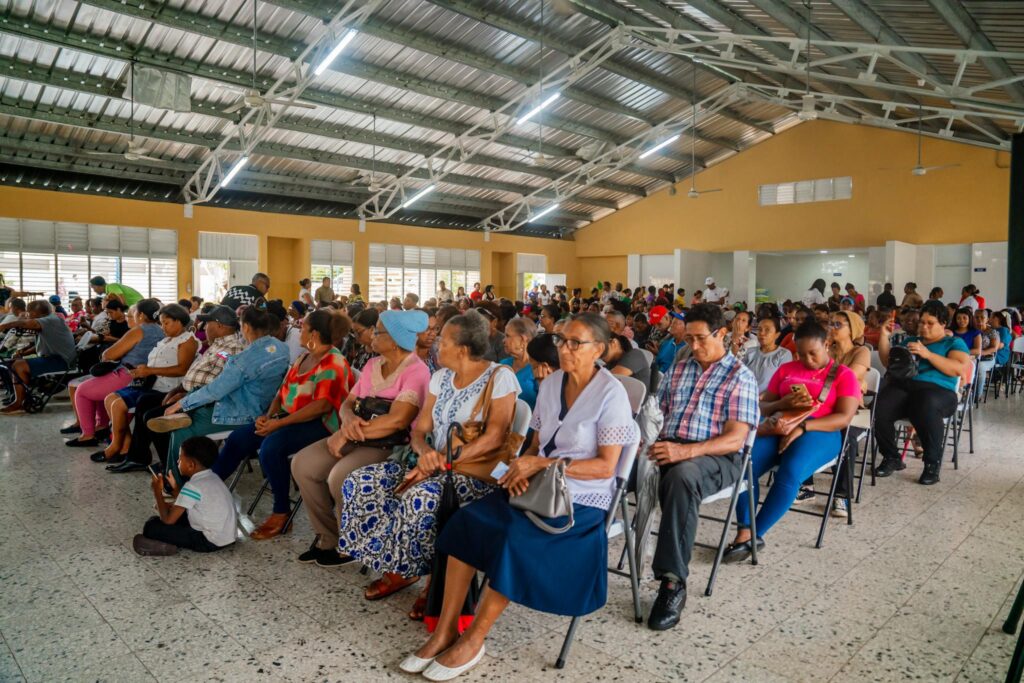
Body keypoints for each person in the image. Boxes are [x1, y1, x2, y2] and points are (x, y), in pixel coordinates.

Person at [401, 314, 637, 678]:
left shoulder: (611, 393)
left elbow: (605, 467)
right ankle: (446, 629)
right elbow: (536, 444)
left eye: (576, 343)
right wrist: (519, 467)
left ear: (600, 350)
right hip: (538, 485)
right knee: (467, 521)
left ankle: (474, 639)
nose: (565, 349)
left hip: (580, 500)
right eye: (561, 340)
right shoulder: (552, 383)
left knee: (514, 538)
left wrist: (541, 465)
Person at [337, 311, 518, 608]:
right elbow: (420, 430)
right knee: (362, 481)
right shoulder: (440, 377)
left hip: (474, 471)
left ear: (462, 349)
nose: (436, 345)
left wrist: (443, 460)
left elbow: (495, 436)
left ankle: (434, 581)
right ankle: (399, 565)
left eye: (443, 341)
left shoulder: (499, 377)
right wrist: (424, 453)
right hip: (432, 463)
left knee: (419, 498)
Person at [644, 304, 760, 631]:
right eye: (688, 339)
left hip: (718, 456)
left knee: (682, 477)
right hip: (671, 446)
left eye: (700, 338)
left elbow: (735, 440)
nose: (693, 346)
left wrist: (685, 451)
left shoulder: (740, 376)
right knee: (619, 468)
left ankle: (672, 582)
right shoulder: (680, 369)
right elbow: (658, 415)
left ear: (721, 333)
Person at [291, 309, 431, 569]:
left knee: (340, 476)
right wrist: (347, 419)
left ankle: (351, 543)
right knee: (302, 464)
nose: (371, 335)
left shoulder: (416, 371)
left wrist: (343, 433)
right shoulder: (372, 365)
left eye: (378, 331)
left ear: (394, 339)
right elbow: (349, 402)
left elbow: (397, 421)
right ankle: (328, 536)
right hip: (357, 435)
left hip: (391, 444)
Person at [724, 320, 860, 561]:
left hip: (822, 431)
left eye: (813, 353)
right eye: (801, 354)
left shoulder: (843, 374)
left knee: (791, 471)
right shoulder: (787, 370)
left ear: (826, 345)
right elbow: (762, 407)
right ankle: (745, 530)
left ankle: (757, 533)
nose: (807, 360)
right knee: (744, 464)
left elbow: (844, 417)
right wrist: (781, 404)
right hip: (781, 425)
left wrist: (804, 427)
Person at [212, 310, 354, 539]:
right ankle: (208, 486)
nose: (298, 331)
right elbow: (281, 393)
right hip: (289, 418)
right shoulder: (304, 357)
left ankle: (281, 513)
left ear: (314, 334)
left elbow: (322, 406)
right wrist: (269, 416)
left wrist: (278, 425)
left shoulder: (333, 362)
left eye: (303, 327)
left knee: (271, 447)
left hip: (321, 425)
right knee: (239, 438)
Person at [150, 306, 291, 484]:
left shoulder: (243, 360)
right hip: (263, 407)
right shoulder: (281, 348)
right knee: (192, 403)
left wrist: (180, 404)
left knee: (181, 430)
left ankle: (176, 484)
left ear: (246, 327)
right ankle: (181, 464)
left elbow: (216, 390)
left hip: (239, 413)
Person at [111, 305, 248, 474]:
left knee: (153, 416)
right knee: (145, 401)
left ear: (219, 325)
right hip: (188, 393)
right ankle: (138, 457)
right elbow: (198, 374)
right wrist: (176, 391)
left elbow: (220, 384)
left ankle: (171, 466)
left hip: (203, 401)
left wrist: (186, 397)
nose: (205, 328)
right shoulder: (217, 345)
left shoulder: (232, 349)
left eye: (208, 324)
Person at [874, 300, 970, 485]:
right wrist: (884, 336)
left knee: (925, 403)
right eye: (922, 322)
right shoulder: (910, 341)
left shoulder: (953, 342)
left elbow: (958, 369)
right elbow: (889, 363)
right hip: (907, 388)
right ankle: (891, 457)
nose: (924, 327)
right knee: (880, 406)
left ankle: (932, 464)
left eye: (930, 323)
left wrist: (928, 354)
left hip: (940, 392)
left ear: (943, 324)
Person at [93, 304, 199, 464]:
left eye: (166, 323)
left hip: (169, 389)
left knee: (139, 405)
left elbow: (182, 369)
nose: (163, 327)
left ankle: (132, 453)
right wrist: (142, 371)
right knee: (113, 398)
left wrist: (150, 370)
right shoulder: (167, 340)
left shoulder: (187, 341)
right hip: (152, 384)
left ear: (178, 321)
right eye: (161, 323)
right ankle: (129, 450)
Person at [132, 436, 237, 556]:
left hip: (209, 541)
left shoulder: (192, 486)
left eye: (180, 459)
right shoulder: (213, 477)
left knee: (151, 526)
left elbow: (168, 521)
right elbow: (187, 502)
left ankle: (166, 546)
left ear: (191, 465)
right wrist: (175, 489)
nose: (178, 462)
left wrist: (157, 492)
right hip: (227, 536)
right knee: (177, 513)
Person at [0, 300, 77, 414]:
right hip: (55, 358)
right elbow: (41, 346)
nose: (27, 315)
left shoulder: (51, 320)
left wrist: (3, 326)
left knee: (18, 366)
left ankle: (19, 403)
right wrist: (23, 353)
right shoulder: (50, 321)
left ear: (34, 313)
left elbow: (26, 324)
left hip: (61, 361)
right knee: (13, 363)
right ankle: (18, 398)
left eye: (28, 312)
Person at [742, 317, 792, 393]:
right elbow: (741, 374)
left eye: (767, 330)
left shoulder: (783, 354)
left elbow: (783, 383)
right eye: (759, 329)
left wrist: (764, 397)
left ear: (777, 335)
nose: (762, 333)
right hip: (745, 393)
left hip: (767, 398)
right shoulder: (750, 351)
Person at [500, 317, 539, 409]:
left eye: (507, 336)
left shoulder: (538, 368)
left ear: (522, 339)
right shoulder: (503, 364)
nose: (503, 340)